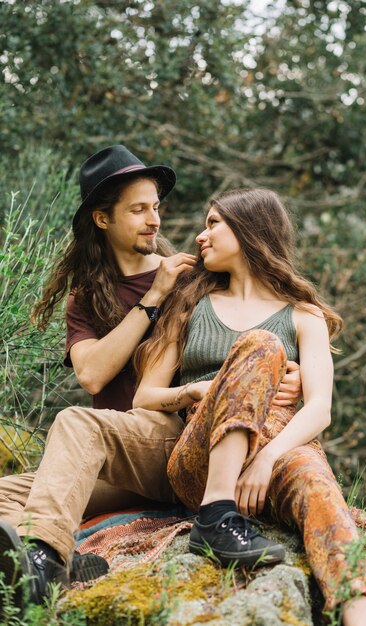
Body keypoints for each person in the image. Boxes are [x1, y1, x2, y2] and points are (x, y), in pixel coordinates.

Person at [0, 146, 301, 607]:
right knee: (8, 493)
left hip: (174, 441)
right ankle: (64, 564)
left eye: (156, 207)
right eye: (138, 210)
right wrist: (151, 298)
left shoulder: (188, 276)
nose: (154, 220)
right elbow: (93, 374)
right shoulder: (87, 296)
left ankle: (44, 560)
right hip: (113, 457)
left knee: (77, 422)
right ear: (103, 219)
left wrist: (288, 372)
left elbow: (249, 322)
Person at [133, 188, 366, 626]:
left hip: (281, 449)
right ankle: (217, 511)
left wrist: (267, 457)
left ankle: (360, 616)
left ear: (248, 230)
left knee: (320, 490)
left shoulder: (303, 314)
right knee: (262, 344)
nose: (199, 237)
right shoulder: (190, 306)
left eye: (212, 224)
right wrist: (201, 389)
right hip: (201, 455)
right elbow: (145, 396)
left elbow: (319, 409)